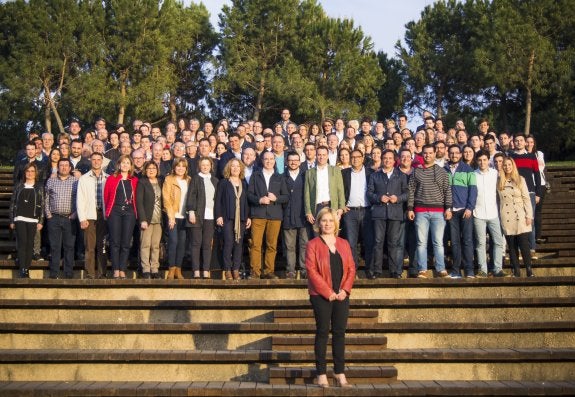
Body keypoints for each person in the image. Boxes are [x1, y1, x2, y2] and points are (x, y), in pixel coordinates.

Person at [305, 207, 355, 388]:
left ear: (336, 224)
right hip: (320, 295)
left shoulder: (344, 243)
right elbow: (311, 272)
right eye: (324, 221)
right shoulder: (313, 245)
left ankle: (339, 372)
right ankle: (321, 373)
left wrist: (344, 290)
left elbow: (351, 269)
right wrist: (329, 293)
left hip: (341, 295)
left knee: (340, 333)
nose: (327, 224)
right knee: (323, 332)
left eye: (330, 221)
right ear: (318, 223)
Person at [407, 144, 452, 278]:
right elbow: (411, 191)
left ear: (435, 154)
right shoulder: (416, 171)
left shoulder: (442, 172)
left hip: (438, 212)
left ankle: (441, 268)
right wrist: (410, 208)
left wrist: (448, 208)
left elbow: (447, 190)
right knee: (421, 242)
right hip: (420, 211)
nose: (428, 155)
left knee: (438, 242)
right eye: (425, 153)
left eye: (430, 153)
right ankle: (422, 269)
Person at [247, 151, 288, 279]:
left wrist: (276, 198)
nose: (269, 161)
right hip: (258, 214)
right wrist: (259, 200)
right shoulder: (255, 176)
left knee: (271, 245)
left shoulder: (280, 177)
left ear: (275, 161)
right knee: (256, 244)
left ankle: (269, 271)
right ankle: (255, 271)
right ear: (262, 161)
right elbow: (249, 195)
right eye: (266, 159)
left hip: (275, 215)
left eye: (271, 159)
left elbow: (286, 196)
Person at [367, 149, 408, 279]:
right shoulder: (375, 175)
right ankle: (377, 271)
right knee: (378, 242)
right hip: (379, 213)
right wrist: (379, 198)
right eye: (385, 158)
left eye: (390, 158)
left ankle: (395, 271)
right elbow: (369, 193)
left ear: (394, 160)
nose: (387, 160)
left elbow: (407, 193)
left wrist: (398, 198)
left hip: (395, 213)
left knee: (393, 243)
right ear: (382, 159)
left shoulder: (401, 175)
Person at [215, 159, 251, 280]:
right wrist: (218, 215)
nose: (235, 168)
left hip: (240, 218)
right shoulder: (223, 183)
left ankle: (236, 269)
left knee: (238, 244)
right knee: (229, 243)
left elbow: (246, 202)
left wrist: (248, 217)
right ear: (229, 168)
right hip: (227, 218)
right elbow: (218, 201)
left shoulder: (244, 183)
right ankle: (227, 270)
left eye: (237, 166)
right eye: (233, 166)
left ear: (241, 169)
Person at [498, 157, 534, 277]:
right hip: (506, 215)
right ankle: (516, 271)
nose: (507, 167)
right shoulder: (499, 181)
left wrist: (529, 215)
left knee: (524, 244)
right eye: (505, 165)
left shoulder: (520, 180)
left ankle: (529, 270)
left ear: (513, 166)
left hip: (520, 215)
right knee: (512, 246)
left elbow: (526, 199)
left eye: (509, 165)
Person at [445, 144, 477, 279]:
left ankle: (469, 270)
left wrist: (470, 207)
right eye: (451, 153)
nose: (454, 155)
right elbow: (442, 191)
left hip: (465, 210)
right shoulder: (443, 170)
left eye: (456, 153)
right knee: (455, 241)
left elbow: (473, 190)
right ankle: (456, 270)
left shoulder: (468, 169)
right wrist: (446, 207)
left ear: (460, 154)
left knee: (468, 240)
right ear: (448, 154)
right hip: (451, 211)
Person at [104, 155, 138, 280]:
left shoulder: (134, 180)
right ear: (118, 164)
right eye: (122, 162)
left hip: (129, 213)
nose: (124, 165)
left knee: (125, 242)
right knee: (115, 242)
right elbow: (106, 196)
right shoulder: (112, 179)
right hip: (115, 212)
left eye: (127, 163)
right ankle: (116, 269)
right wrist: (108, 212)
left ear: (130, 166)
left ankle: (123, 269)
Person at [473, 150, 507, 278]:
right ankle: (483, 270)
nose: (482, 162)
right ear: (477, 161)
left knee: (498, 242)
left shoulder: (495, 174)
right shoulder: (473, 174)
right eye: (480, 160)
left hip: (493, 213)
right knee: (481, 243)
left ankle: (497, 268)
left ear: (488, 161)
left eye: (485, 160)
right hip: (478, 213)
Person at [9, 163, 45, 278]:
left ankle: (26, 268)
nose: (30, 173)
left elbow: (42, 205)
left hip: (33, 220)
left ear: (35, 173)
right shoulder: (19, 186)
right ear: (25, 173)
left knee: (30, 244)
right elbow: (13, 204)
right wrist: (12, 220)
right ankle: (22, 269)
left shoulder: (39, 188)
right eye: (28, 171)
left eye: (32, 171)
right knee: (22, 243)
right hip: (20, 219)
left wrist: (41, 221)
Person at [76, 152, 109, 279]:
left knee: (102, 245)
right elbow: (80, 200)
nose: (96, 162)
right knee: (90, 246)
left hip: (103, 215)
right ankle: (90, 273)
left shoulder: (108, 178)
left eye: (98, 159)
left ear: (102, 161)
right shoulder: (84, 178)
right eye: (93, 159)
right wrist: (82, 218)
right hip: (89, 215)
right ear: (91, 161)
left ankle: (102, 272)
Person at [341, 149, 374, 273]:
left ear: (363, 158)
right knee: (350, 243)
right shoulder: (344, 173)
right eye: (353, 157)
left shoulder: (371, 173)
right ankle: (352, 271)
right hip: (350, 212)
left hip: (367, 211)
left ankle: (370, 270)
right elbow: (339, 191)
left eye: (358, 157)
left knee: (369, 242)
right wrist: (341, 205)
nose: (355, 159)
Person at [45, 158, 78, 279]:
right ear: (58, 168)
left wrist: (75, 213)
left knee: (69, 246)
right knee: (55, 246)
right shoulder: (51, 181)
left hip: (70, 218)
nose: (64, 167)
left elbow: (79, 199)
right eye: (61, 165)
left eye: (66, 165)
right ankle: (54, 273)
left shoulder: (76, 181)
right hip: (54, 218)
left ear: (70, 168)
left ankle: (68, 273)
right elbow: (46, 198)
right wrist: (48, 214)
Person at [186, 157, 218, 279]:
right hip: (197, 215)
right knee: (196, 243)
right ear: (199, 166)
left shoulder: (215, 180)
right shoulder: (195, 178)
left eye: (207, 165)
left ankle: (206, 269)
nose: (205, 167)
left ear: (211, 166)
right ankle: (196, 270)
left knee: (206, 244)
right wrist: (191, 211)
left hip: (210, 217)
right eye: (203, 165)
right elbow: (191, 196)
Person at [282, 151, 309, 279]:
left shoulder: (306, 176)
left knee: (304, 244)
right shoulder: (282, 177)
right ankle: (290, 270)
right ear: (287, 162)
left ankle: (304, 269)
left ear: (300, 162)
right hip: (288, 215)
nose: (293, 162)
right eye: (291, 160)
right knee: (290, 245)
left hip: (303, 215)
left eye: (296, 160)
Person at [162, 158, 191, 280]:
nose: (180, 168)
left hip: (185, 217)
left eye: (183, 166)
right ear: (174, 167)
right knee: (173, 242)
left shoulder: (189, 180)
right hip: (173, 216)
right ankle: (171, 268)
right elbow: (166, 199)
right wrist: (171, 216)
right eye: (178, 166)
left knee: (182, 244)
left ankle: (178, 270)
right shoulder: (169, 179)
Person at [304, 146, 346, 227]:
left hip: (332, 206)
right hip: (317, 208)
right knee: (317, 235)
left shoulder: (336, 170)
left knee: (332, 234)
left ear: (327, 156)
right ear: (316, 156)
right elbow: (307, 194)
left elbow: (340, 190)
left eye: (324, 155)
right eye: (319, 155)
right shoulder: (309, 172)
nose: (321, 157)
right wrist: (308, 212)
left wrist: (341, 208)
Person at [136, 161, 163, 279]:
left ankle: (155, 269)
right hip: (146, 219)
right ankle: (146, 268)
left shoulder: (160, 182)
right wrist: (142, 219)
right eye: (149, 168)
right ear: (145, 170)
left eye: (153, 168)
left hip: (158, 219)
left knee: (156, 245)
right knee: (145, 244)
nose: (151, 170)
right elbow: (139, 202)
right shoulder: (142, 182)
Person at [525, 135, 547, 244]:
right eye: (527, 142)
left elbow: (540, 168)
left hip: (540, 185)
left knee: (537, 211)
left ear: (534, 143)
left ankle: (537, 236)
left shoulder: (539, 154)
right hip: (528, 185)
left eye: (531, 142)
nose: (529, 144)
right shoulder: (522, 155)